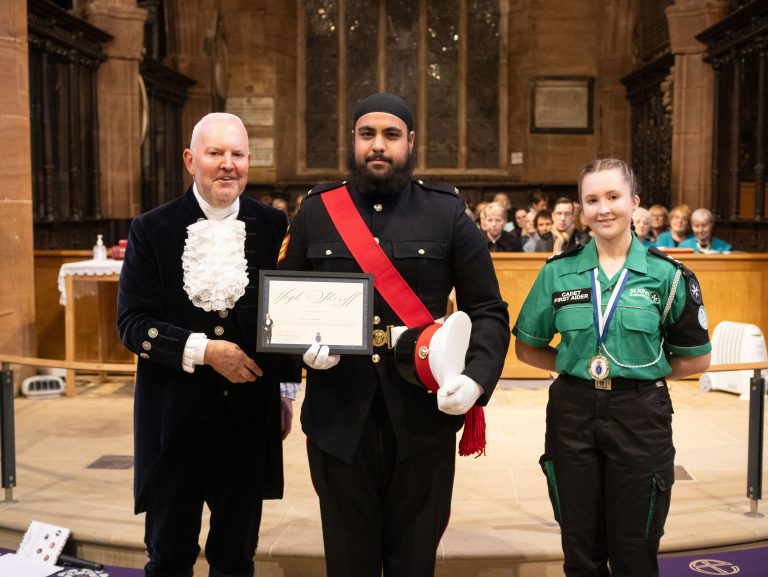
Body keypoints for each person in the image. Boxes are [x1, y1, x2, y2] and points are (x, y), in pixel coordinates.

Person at [277, 92, 510, 577]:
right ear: (353, 141)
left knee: (413, 561)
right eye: (367, 135)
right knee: (348, 561)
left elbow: (487, 309)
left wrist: (476, 379)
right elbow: (283, 305)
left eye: (390, 135)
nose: (378, 146)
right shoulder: (318, 211)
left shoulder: (445, 212)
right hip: (339, 420)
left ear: (411, 142)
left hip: (422, 417)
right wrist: (303, 351)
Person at [117, 113, 298, 577]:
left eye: (237, 154)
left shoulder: (274, 225)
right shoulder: (151, 228)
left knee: (236, 557)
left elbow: (288, 312)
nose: (227, 165)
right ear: (190, 160)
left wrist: (285, 390)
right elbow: (132, 324)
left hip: (247, 420)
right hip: (173, 419)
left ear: (249, 162)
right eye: (215, 153)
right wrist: (203, 351)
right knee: (169, 554)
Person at [513, 158, 711, 577]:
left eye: (613, 197)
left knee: (635, 551)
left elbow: (696, 357)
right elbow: (528, 349)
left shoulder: (667, 275)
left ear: (634, 202)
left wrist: (642, 372)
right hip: (573, 412)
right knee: (580, 551)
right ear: (582, 208)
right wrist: (577, 365)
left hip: (640, 414)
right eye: (592, 199)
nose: (603, 208)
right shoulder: (558, 273)